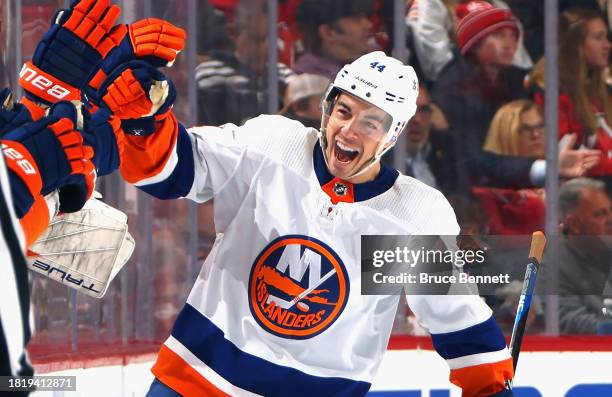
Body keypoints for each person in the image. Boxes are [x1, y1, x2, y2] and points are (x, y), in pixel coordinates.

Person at [107, 48, 516, 395]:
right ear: (327, 108)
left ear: (392, 136)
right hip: (198, 380)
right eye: (344, 111)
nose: (349, 131)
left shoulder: (409, 215)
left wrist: (490, 384)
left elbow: (451, 311)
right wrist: (148, 121)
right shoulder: (272, 147)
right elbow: (169, 172)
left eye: (371, 122)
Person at [529, 7, 612, 184]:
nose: (608, 45)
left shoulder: (604, 91)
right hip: (577, 189)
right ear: (575, 44)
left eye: (606, 37)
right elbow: (569, 158)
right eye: (598, 38)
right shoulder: (550, 93)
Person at [195, 0, 294, 125]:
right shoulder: (210, 74)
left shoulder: (283, 74)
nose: (263, 47)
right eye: (255, 40)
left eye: (267, 39)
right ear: (235, 35)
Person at [406, 0, 532, 83]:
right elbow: (439, 67)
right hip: (455, 94)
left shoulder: (497, 5)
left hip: (503, 90)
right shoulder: (429, 4)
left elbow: (521, 66)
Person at [557, 178, 612, 334]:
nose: (610, 220)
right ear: (574, 224)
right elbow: (567, 321)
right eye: (600, 214)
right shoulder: (553, 266)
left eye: (610, 210)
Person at [293, 0, 379, 79]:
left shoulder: (376, 61)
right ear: (328, 33)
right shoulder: (310, 82)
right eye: (356, 20)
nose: (369, 25)